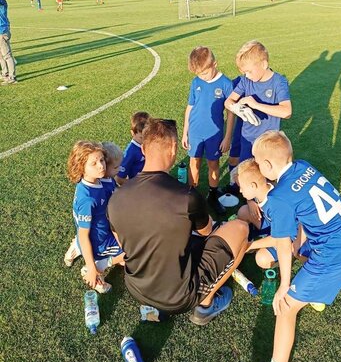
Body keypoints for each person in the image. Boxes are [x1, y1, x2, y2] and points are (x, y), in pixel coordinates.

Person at [235, 130, 341, 362]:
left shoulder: (280, 197)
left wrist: (285, 285)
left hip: (333, 253)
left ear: (267, 166)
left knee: (285, 307)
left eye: (257, 162)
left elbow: (282, 245)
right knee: (303, 256)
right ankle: (314, 294)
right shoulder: (303, 166)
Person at [108, 118, 249, 324]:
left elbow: (122, 241)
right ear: (174, 148)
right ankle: (205, 305)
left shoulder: (116, 197)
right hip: (178, 297)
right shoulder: (187, 196)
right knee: (240, 228)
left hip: (136, 287)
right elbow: (206, 231)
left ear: (144, 150)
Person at [182, 47, 235, 214]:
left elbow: (231, 113)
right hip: (195, 131)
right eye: (198, 74)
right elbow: (190, 107)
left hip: (214, 134)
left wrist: (227, 137)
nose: (202, 77)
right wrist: (185, 132)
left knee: (213, 164)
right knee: (194, 162)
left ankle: (212, 195)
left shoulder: (226, 84)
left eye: (204, 73)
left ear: (215, 64)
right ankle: (192, 195)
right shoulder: (196, 82)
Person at [67, 141, 125, 293]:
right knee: (135, 253)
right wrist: (92, 267)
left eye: (102, 160)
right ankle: (97, 265)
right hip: (100, 244)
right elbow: (83, 234)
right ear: (81, 168)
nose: (101, 166)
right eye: (94, 163)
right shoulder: (88, 199)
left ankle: (78, 247)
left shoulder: (96, 181)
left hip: (103, 233)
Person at [225, 40, 292, 162]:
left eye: (249, 71)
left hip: (268, 142)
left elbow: (286, 112)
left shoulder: (279, 82)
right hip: (247, 139)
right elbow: (228, 101)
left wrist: (255, 105)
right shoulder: (246, 81)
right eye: (244, 72)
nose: (247, 75)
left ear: (264, 64)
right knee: (246, 170)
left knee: (265, 172)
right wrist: (238, 108)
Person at [116, 111, 150, 186]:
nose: (145, 140)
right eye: (141, 137)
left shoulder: (148, 143)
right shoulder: (130, 152)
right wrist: (135, 186)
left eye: (148, 136)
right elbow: (119, 178)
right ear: (133, 133)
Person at [0, 0, 17, 85]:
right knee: (1, 56)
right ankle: (5, 74)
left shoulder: (2, 2)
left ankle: (12, 77)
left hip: (2, 31)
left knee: (7, 56)